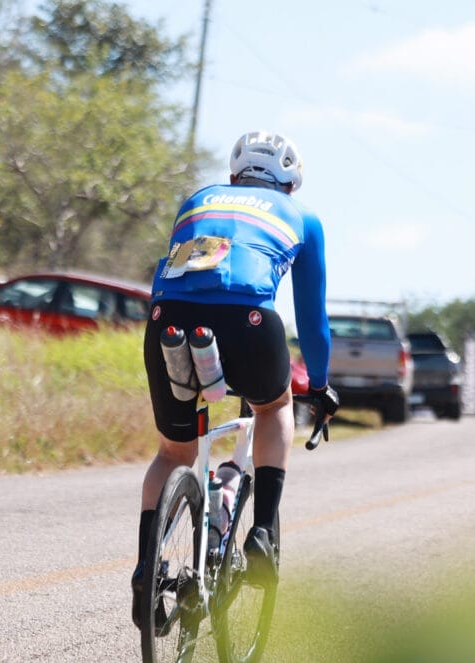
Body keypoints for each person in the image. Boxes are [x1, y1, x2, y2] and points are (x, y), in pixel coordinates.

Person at [132, 130, 339, 628]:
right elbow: (312, 320)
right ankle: (263, 531)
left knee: (172, 452)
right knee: (274, 407)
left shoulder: (197, 199)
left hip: (167, 317)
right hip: (248, 320)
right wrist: (320, 383)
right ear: (290, 185)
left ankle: (146, 568)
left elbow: (190, 275)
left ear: (233, 177)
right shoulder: (304, 217)